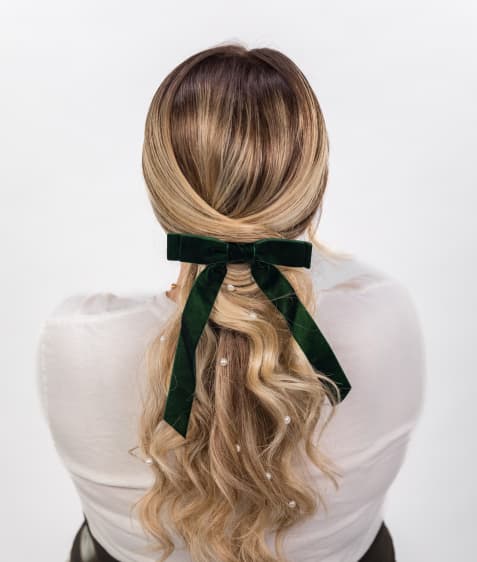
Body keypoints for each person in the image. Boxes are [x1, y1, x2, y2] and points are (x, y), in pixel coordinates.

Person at [36, 43, 426, 562]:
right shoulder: (388, 320)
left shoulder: (75, 340)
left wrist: (226, 270)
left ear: (160, 193)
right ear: (315, 190)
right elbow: (346, 278)